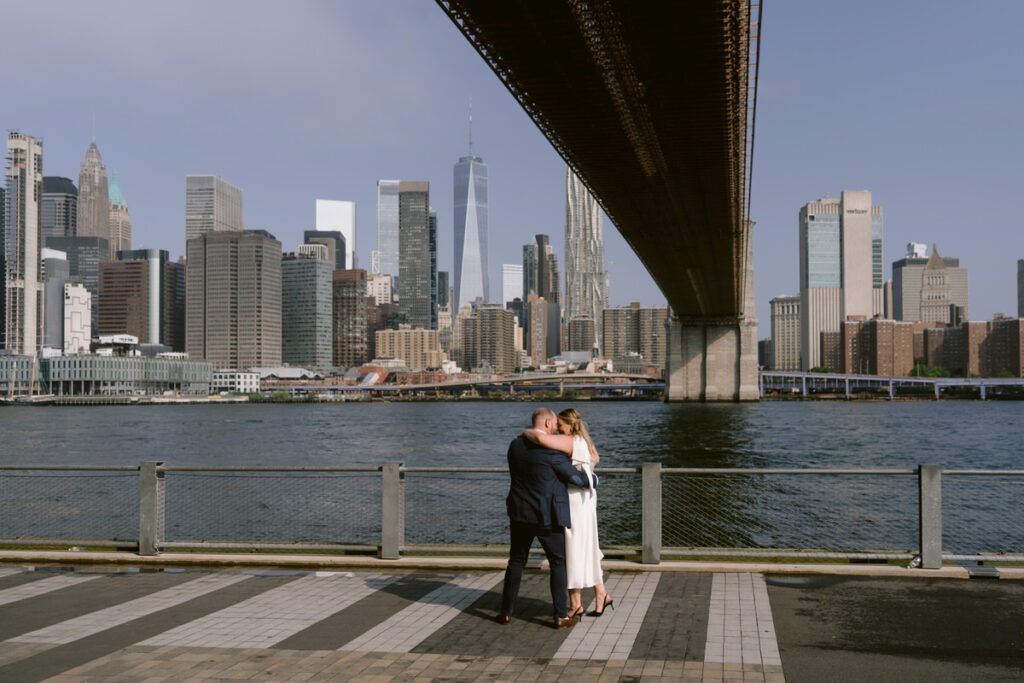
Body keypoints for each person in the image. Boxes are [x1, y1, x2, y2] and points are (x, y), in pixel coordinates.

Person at [499, 407, 598, 629]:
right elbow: (577, 479)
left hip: (519, 512)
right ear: (546, 424)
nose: (556, 429)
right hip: (547, 516)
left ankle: (505, 612)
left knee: (516, 561)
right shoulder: (552, 453)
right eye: (554, 425)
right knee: (558, 563)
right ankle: (560, 615)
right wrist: (595, 479)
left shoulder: (515, 445)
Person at [522, 408, 613, 618]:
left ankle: (576, 605)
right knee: (587, 547)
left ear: (570, 426)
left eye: (560, 425)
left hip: (573, 500)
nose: (556, 429)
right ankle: (601, 595)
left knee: (571, 550)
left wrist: (526, 433)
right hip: (586, 500)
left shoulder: (570, 440)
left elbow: (540, 438)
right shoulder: (584, 441)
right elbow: (595, 459)